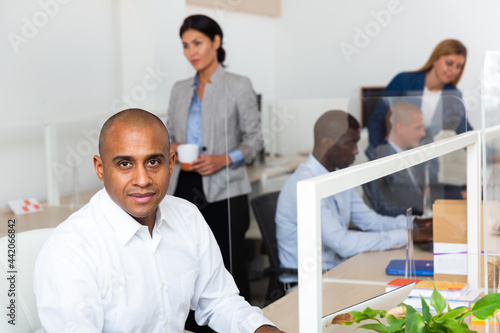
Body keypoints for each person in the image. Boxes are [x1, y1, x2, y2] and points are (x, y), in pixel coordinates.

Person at [33, 109, 283, 333]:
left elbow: (219, 301)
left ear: (171, 163)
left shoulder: (188, 217)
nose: (142, 179)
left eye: (153, 162)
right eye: (125, 164)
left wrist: (262, 330)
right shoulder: (70, 249)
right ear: (100, 168)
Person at [167, 14, 262, 304]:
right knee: (187, 265)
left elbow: (254, 141)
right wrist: (173, 145)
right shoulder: (180, 89)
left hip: (225, 190)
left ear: (216, 42)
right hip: (184, 186)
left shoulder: (238, 85)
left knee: (227, 267)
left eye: (198, 43)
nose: (191, 52)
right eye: (185, 45)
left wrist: (222, 159)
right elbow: (169, 134)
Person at [275, 110, 432, 285]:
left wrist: (414, 223)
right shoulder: (304, 185)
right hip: (306, 286)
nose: (357, 151)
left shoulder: (338, 178)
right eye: (351, 144)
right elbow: (343, 243)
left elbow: (371, 222)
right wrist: (409, 235)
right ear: (326, 143)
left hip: (336, 272)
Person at [366, 39, 472, 159]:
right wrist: (381, 156)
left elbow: (464, 130)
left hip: (425, 162)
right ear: (435, 60)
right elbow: (377, 121)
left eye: (459, 66)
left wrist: (490, 154)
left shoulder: (453, 95)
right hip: (389, 156)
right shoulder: (403, 81)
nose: (453, 71)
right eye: (449, 63)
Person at [373, 101, 440, 215]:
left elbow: (430, 188)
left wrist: (460, 191)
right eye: (418, 128)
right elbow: (408, 201)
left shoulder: (411, 154)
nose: (423, 133)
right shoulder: (383, 160)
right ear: (399, 128)